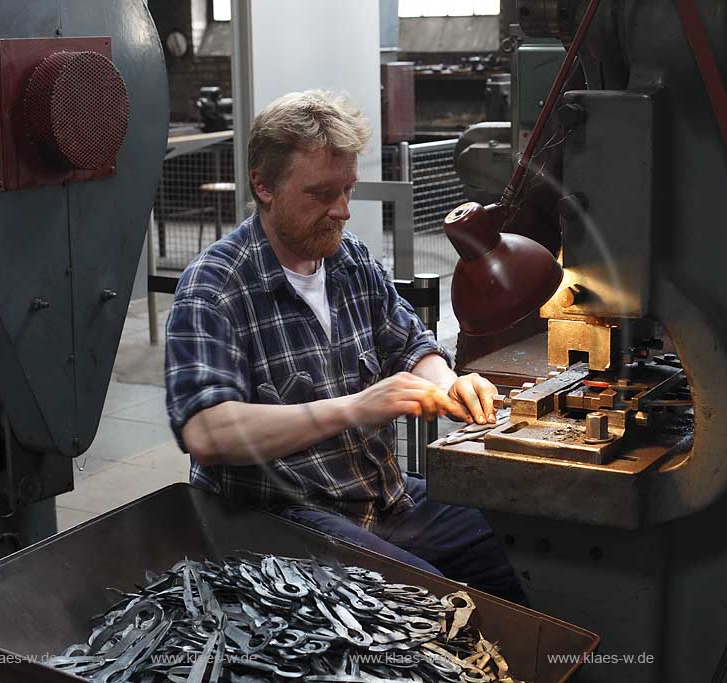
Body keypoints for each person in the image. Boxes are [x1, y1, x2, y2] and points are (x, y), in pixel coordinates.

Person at [165, 90, 525, 603]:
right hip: (280, 519)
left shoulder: (348, 260)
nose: (342, 211)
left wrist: (449, 385)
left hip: (382, 496)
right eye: (320, 194)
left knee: (525, 551)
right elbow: (206, 431)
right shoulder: (215, 287)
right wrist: (355, 408)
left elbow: (411, 344)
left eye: (348, 189)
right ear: (263, 186)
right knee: (436, 608)